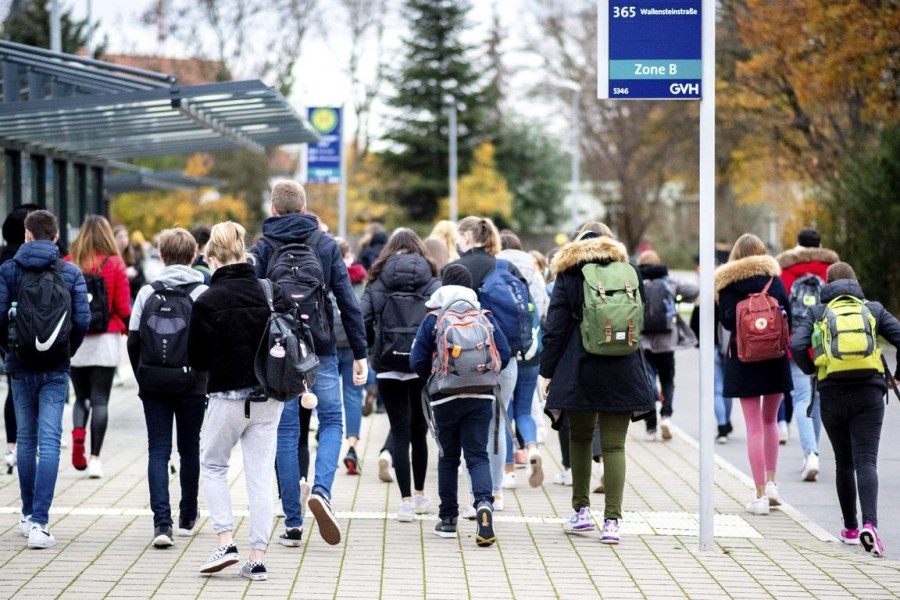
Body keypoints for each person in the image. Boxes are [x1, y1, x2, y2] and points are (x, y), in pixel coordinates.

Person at [250, 180, 368, 546]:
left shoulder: (264, 246)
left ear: (273, 210)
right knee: (332, 420)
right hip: (323, 346)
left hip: (280, 349)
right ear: (304, 208)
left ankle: (293, 523)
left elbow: (254, 304)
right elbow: (347, 301)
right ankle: (322, 491)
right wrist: (361, 353)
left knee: (285, 431)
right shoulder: (326, 244)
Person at [538, 223, 655, 545]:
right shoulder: (629, 271)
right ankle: (613, 522)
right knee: (615, 446)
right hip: (623, 365)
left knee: (580, 439)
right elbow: (642, 316)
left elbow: (556, 328)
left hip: (580, 367)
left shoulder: (569, 273)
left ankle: (581, 513)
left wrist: (546, 372)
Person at [188, 221, 288, 580]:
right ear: (243, 253)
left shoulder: (208, 299)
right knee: (260, 474)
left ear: (213, 258)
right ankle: (257, 557)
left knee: (214, 465)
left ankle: (225, 540)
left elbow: (196, 359)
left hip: (227, 397)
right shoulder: (269, 291)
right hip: (269, 396)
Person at [789, 262, 900, 556]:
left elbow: (796, 343)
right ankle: (870, 526)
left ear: (828, 284)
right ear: (855, 281)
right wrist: (897, 374)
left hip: (832, 392)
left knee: (844, 462)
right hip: (869, 391)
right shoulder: (872, 309)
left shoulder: (818, 312)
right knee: (866, 461)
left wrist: (813, 369)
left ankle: (851, 529)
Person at [0, 209, 90, 549]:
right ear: (55, 238)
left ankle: (25, 515)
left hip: (20, 364)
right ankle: (40, 523)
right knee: (50, 442)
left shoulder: (8, 271)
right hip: (55, 366)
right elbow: (81, 322)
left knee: (25, 439)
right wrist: (65, 350)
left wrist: (8, 351)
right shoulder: (70, 272)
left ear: (26, 235)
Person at [410, 264, 511, 544]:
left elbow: (416, 361)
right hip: (481, 394)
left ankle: (447, 520)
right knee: (477, 456)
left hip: (445, 397)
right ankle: (484, 507)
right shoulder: (484, 315)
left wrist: (435, 378)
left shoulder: (434, 317)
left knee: (449, 457)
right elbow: (504, 352)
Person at [127, 228, 208, 548]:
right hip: (192, 382)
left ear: (161, 256)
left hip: (153, 381)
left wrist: (142, 376)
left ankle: (162, 524)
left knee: (158, 450)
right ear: (193, 256)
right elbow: (208, 342)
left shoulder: (148, 292)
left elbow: (134, 341)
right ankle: (188, 514)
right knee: (190, 448)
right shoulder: (202, 292)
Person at [361, 229, 440, 522]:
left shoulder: (379, 280)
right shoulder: (431, 280)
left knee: (400, 432)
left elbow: (362, 317)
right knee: (420, 432)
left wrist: (372, 347)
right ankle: (420, 495)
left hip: (387, 364)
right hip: (421, 366)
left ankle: (405, 502)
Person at [450, 216, 528, 510]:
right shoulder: (507, 267)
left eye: (459, 237)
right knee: (498, 423)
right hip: (506, 360)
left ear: (468, 237)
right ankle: (496, 493)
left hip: (467, 362)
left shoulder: (458, 270)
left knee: (471, 427)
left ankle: (476, 496)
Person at [714, 233, 793, 515]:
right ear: (762, 253)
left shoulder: (727, 283)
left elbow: (725, 322)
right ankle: (772, 484)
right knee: (771, 420)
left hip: (744, 358)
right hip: (775, 358)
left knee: (753, 427)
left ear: (735, 254)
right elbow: (789, 318)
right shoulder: (775, 279)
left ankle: (759, 495)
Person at [67, 215, 132, 479]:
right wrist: (131, 333)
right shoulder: (115, 264)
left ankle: (78, 436)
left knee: (81, 397)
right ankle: (95, 459)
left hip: (77, 340)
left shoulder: (69, 263)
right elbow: (122, 307)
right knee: (101, 399)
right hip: (106, 338)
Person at [776, 227, 839, 480]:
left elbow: (780, 307)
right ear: (821, 244)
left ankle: (810, 454)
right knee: (819, 400)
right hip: (827, 344)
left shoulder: (786, 270)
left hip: (797, 344)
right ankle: (814, 454)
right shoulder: (831, 269)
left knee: (802, 398)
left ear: (797, 245)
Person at [497, 231, 550, 488]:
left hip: (505, 351)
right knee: (524, 409)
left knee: (505, 410)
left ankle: (508, 471)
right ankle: (532, 449)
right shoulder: (533, 270)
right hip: (530, 350)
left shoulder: (495, 270)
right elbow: (544, 309)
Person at [636, 250, 699, 441]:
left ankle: (650, 428)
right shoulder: (669, 282)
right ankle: (666, 416)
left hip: (643, 342)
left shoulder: (634, 282)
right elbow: (695, 291)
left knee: (648, 381)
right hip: (667, 342)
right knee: (668, 380)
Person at [334, 237, 367, 474]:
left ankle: (327, 441)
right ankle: (352, 446)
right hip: (353, 346)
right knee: (353, 397)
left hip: (327, 347)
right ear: (349, 256)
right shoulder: (359, 281)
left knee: (330, 399)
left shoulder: (322, 277)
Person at [114, 224, 145, 302]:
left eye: (125, 236)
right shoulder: (111, 257)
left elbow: (141, 278)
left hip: (132, 296)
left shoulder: (134, 255)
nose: (123, 240)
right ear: (113, 239)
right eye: (120, 237)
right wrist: (125, 274)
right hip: (117, 298)